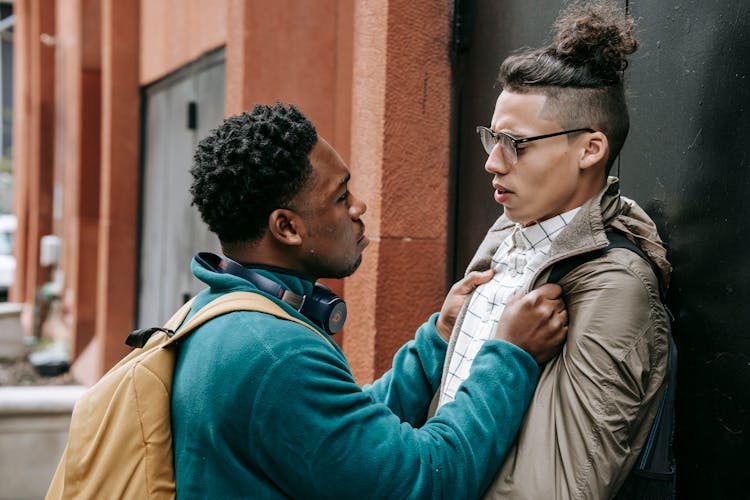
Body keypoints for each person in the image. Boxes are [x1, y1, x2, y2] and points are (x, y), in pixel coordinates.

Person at [171, 102, 568, 498]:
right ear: (287, 227)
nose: (358, 207)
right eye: (341, 197)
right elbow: (426, 480)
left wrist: (439, 339)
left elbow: (346, 431)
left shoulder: (221, 316)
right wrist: (511, 355)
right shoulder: (276, 355)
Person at [432, 1, 672, 498]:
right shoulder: (509, 231)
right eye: (492, 139)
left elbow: (562, 487)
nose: (492, 164)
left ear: (590, 149)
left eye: (516, 144)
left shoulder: (616, 285)